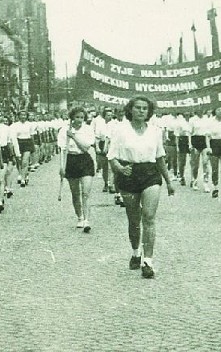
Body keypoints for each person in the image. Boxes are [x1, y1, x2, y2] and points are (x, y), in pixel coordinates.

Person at [108, 96, 176, 279]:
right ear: (130, 110)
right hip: (129, 174)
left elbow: (160, 156)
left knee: (149, 217)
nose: (141, 111)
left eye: (144, 108)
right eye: (137, 108)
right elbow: (111, 156)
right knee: (134, 219)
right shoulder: (120, 131)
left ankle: (148, 261)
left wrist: (168, 181)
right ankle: (136, 252)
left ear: (149, 111)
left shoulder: (155, 131)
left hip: (150, 174)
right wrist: (120, 168)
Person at [58, 106, 96, 232]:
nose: (80, 120)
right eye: (77, 117)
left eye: (82, 117)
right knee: (75, 193)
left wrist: (74, 137)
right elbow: (62, 150)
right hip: (71, 160)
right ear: (72, 118)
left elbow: (85, 148)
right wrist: (62, 167)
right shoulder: (64, 130)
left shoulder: (88, 129)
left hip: (85, 160)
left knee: (86, 192)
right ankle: (79, 217)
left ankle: (86, 220)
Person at [189, 110, 211, 192]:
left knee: (205, 163)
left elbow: (208, 134)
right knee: (195, 164)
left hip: (204, 140)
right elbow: (190, 133)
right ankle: (194, 181)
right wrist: (190, 145)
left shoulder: (207, 119)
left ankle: (206, 183)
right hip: (195, 140)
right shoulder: (192, 120)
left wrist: (209, 146)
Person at [173, 112, 192, 186]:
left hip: (191, 139)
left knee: (192, 161)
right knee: (182, 161)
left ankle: (193, 179)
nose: (187, 113)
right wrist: (177, 146)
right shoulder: (180, 122)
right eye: (186, 112)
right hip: (182, 140)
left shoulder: (192, 120)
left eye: (188, 112)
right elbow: (177, 135)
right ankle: (181, 177)